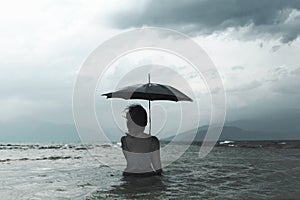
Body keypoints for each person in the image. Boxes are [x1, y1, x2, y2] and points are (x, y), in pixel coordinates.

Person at [121, 104, 163, 177]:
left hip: (128, 176)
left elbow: (133, 162)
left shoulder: (124, 140)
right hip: (147, 176)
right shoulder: (153, 141)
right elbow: (158, 168)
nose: (127, 123)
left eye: (129, 120)